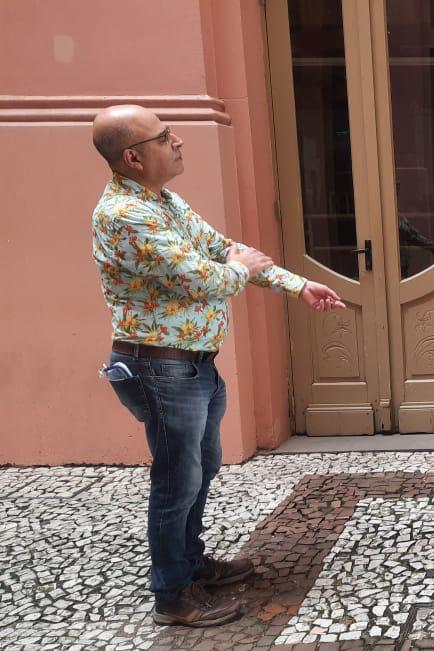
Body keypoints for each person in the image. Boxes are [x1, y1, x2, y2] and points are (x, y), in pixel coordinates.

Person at [90, 105, 346, 626]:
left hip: (192, 366)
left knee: (199, 472)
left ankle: (191, 564)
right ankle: (173, 596)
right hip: (159, 370)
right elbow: (203, 278)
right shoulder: (124, 214)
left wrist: (298, 286)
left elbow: (222, 251)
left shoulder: (163, 201)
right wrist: (234, 267)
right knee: (175, 482)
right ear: (134, 157)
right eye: (164, 137)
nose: (178, 140)